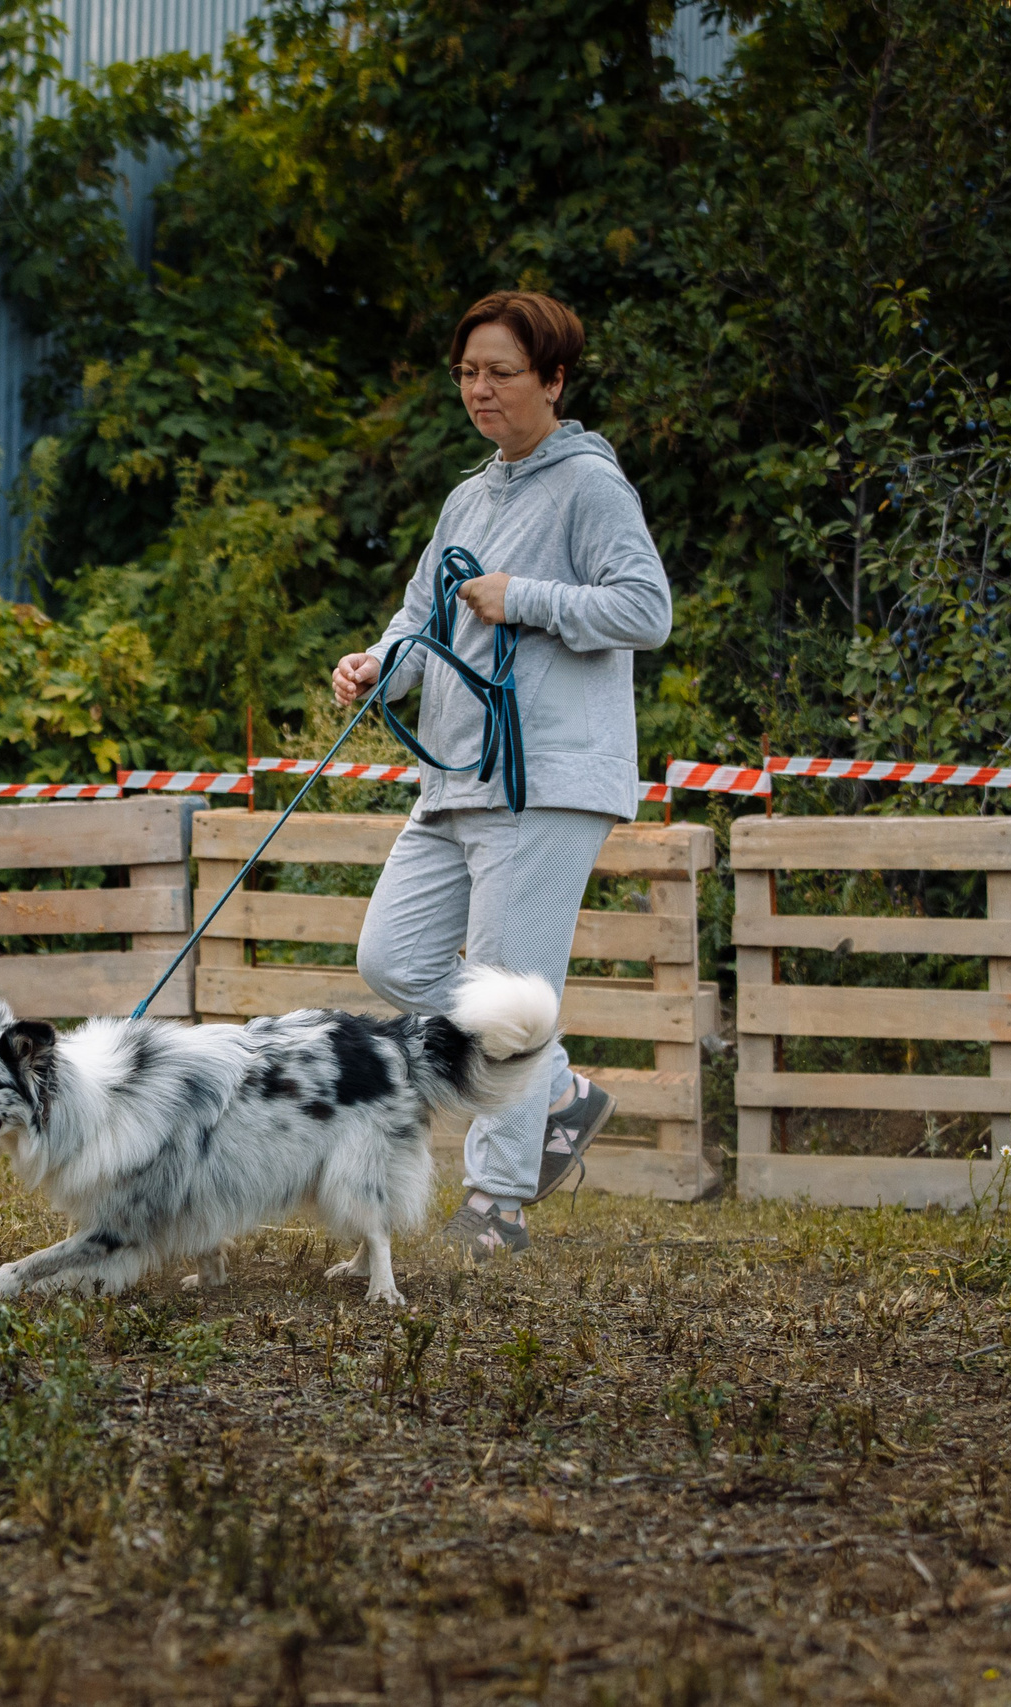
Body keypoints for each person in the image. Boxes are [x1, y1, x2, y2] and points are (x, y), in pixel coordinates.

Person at [332, 290, 672, 1259]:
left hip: (547, 780)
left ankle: (498, 1204)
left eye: (501, 374)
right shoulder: (467, 495)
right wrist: (375, 663)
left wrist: (523, 598)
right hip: (456, 779)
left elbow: (645, 612)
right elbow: (418, 621)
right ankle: (556, 1089)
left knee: (502, 987)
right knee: (391, 961)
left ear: (554, 379)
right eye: (467, 373)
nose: (479, 391)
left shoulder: (590, 487)